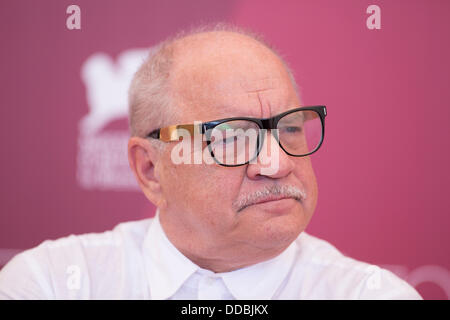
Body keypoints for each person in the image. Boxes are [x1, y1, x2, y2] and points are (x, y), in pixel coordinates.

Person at [0, 23, 421, 299]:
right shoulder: (53, 284)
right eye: (234, 137)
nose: (275, 164)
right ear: (150, 170)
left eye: (290, 127)